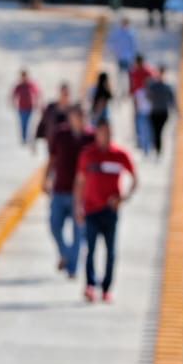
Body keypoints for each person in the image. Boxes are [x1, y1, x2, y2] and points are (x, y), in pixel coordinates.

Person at [75, 121, 138, 302]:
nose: (106, 136)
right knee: (90, 249)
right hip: (91, 209)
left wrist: (123, 198)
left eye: (109, 133)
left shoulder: (120, 155)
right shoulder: (88, 155)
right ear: (97, 134)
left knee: (110, 252)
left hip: (110, 211)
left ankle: (106, 288)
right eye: (102, 133)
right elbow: (80, 182)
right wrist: (79, 207)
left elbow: (135, 179)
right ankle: (90, 285)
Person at [43, 106, 95, 277]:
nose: (78, 120)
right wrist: (46, 178)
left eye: (81, 116)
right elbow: (52, 158)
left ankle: (72, 268)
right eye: (74, 116)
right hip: (60, 188)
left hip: (80, 193)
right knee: (54, 224)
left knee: (78, 231)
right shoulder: (61, 135)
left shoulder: (91, 137)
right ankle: (65, 254)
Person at [34, 81, 75, 154]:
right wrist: (36, 139)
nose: (65, 96)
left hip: (68, 144)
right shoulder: (51, 107)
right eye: (63, 94)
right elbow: (43, 122)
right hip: (52, 141)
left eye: (67, 94)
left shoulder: (73, 110)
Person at [146, 64, 177, 158]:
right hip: (154, 112)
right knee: (155, 131)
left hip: (162, 112)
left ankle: (158, 149)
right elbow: (148, 96)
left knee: (159, 131)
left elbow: (172, 100)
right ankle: (156, 148)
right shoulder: (153, 85)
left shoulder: (166, 87)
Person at [9, 69, 42, 146]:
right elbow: (13, 95)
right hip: (21, 109)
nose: (24, 78)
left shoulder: (31, 85)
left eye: (25, 76)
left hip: (30, 108)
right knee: (23, 124)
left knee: (29, 124)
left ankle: (29, 139)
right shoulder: (19, 86)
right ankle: (24, 139)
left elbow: (37, 93)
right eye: (22, 76)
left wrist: (37, 103)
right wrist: (13, 103)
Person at [107, 18, 138, 96]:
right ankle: (119, 90)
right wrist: (115, 53)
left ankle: (127, 90)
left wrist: (133, 57)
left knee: (128, 75)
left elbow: (133, 46)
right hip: (120, 57)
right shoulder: (118, 33)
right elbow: (113, 43)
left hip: (128, 57)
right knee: (120, 75)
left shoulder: (131, 33)